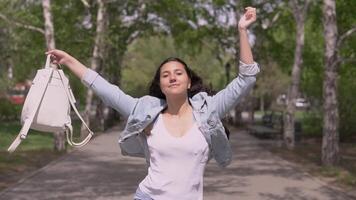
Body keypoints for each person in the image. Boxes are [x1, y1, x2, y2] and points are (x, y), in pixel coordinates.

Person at [47, 6, 259, 200]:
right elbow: (108, 91)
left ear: (188, 82)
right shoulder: (146, 112)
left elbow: (246, 79)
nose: (172, 77)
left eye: (178, 73)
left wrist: (242, 30)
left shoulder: (209, 109)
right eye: (166, 75)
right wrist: (68, 61)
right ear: (161, 84)